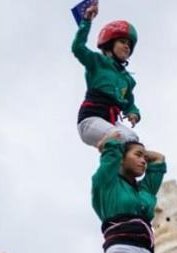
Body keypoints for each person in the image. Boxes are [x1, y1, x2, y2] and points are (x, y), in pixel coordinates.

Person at [69, 3, 139, 148]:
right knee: (117, 137)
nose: (127, 46)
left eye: (129, 45)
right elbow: (78, 48)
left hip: (110, 121)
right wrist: (86, 21)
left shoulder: (127, 79)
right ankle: (106, 151)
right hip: (91, 119)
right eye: (122, 42)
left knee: (133, 141)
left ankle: (118, 170)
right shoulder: (97, 61)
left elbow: (129, 101)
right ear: (108, 46)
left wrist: (133, 112)